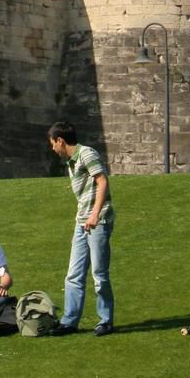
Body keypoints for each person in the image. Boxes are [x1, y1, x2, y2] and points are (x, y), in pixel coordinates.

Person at [47, 121, 115, 336]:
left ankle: (105, 321)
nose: (52, 149)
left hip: (99, 220)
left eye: (52, 144)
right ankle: (69, 322)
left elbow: (102, 181)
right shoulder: (70, 162)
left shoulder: (86, 154)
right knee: (74, 274)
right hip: (82, 222)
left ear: (60, 140)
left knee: (99, 274)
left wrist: (95, 214)